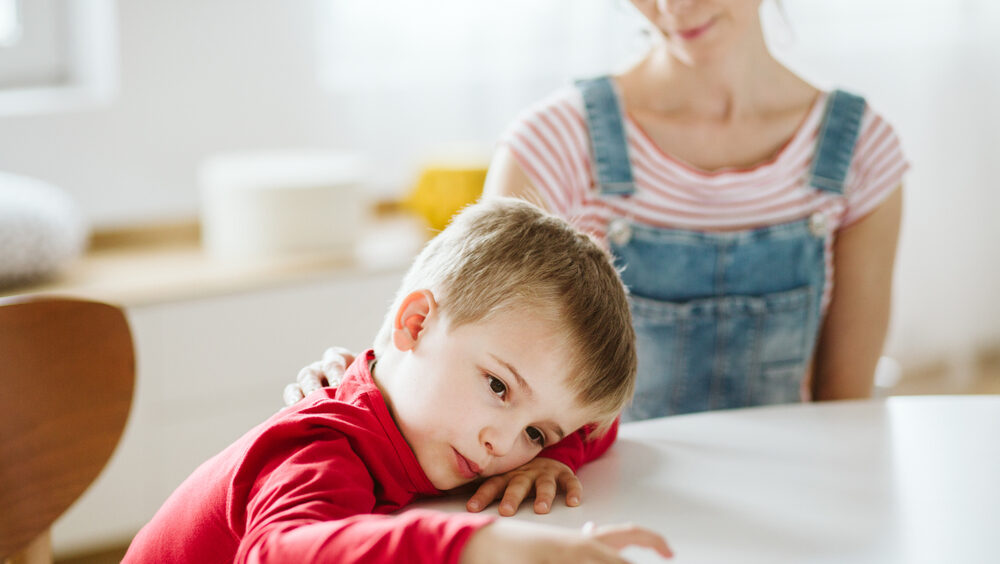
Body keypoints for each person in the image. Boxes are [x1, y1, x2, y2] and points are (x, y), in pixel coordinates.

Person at [289, 0, 907, 519]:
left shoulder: (860, 151)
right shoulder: (556, 142)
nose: (672, 8)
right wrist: (346, 383)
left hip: (783, 505)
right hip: (597, 508)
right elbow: (439, 347)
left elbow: (842, 415)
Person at [123, 198, 673, 563]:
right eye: (499, 388)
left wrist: (556, 454)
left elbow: (598, 422)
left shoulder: (445, 430)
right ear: (416, 324)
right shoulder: (324, 444)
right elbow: (280, 552)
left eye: (535, 432)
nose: (501, 444)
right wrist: (491, 547)